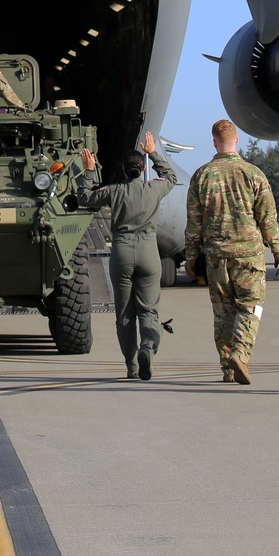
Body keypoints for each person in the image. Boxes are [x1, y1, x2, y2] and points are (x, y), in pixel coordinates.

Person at [184, 118, 279, 385]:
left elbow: (194, 224)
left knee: (223, 312)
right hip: (248, 255)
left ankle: (227, 367)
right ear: (236, 140)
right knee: (252, 307)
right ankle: (241, 353)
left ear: (214, 142)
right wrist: (276, 248)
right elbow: (267, 217)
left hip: (217, 257)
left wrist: (191, 258)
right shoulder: (253, 174)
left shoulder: (202, 176)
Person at [79, 130, 178, 379]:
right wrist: (152, 152)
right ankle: (148, 348)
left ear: (124, 170)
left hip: (121, 253)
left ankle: (132, 365)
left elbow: (85, 197)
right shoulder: (153, 190)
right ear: (142, 170)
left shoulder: (114, 191)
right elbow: (171, 176)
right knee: (149, 311)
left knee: (124, 314)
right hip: (148, 252)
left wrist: (89, 170)